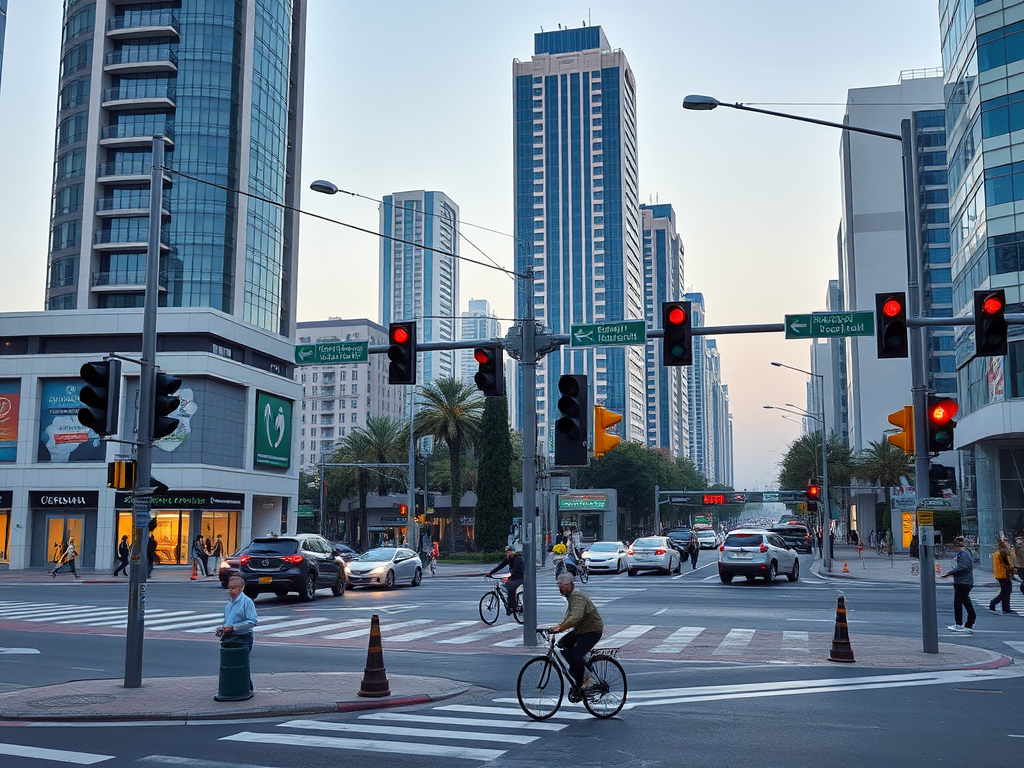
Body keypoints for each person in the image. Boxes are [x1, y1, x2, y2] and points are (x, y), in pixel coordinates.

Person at [552, 572, 604, 694]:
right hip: (581, 630)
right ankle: (578, 670)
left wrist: (562, 627)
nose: (560, 588)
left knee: (575, 654)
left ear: (569, 585)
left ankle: (586, 677)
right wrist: (560, 626)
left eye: (562, 585)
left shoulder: (576, 596)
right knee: (563, 644)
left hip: (591, 630)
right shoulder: (570, 597)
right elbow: (568, 615)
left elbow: (576, 617)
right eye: (558, 585)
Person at [217, 576, 258, 691]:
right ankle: (240, 686)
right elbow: (228, 621)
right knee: (234, 664)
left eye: (233, 588)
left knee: (241, 663)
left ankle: (246, 687)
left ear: (240, 588)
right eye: (229, 588)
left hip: (243, 637)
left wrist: (233, 628)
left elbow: (252, 621)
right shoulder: (229, 604)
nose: (230, 591)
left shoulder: (247, 602)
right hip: (231, 637)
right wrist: (224, 628)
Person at [942, 536, 976, 634]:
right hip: (963, 582)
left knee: (963, 602)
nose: (954, 549)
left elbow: (963, 567)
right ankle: (961, 623)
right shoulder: (965, 553)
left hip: (963, 582)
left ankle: (966, 622)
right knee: (960, 602)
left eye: (955, 546)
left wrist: (950, 573)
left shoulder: (963, 554)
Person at [486, 545, 525, 614]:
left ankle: (513, 607)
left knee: (511, 588)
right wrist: (491, 573)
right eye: (506, 551)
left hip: (519, 578)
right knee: (505, 587)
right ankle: (510, 605)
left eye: (508, 551)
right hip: (513, 577)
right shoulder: (509, 558)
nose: (507, 553)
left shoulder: (518, 559)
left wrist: (508, 578)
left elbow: (517, 571)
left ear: (512, 552)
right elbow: (501, 566)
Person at [988, 539, 1018, 615]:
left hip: (1000, 575)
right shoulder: (1003, 554)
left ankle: (1005, 608)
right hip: (1004, 575)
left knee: (1006, 591)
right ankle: (995, 603)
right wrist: (1012, 572)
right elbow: (1007, 565)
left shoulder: (997, 553)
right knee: (1006, 591)